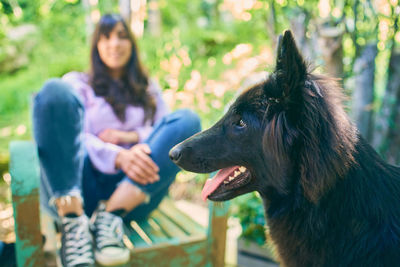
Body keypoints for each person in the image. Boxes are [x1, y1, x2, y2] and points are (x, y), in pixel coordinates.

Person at [33, 14, 200, 267]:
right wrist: (118, 156)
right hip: (83, 187)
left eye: (122, 36)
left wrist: (131, 138)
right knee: (53, 92)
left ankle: (109, 217)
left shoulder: (148, 88)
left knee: (188, 120)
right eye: (106, 37)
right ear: (96, 45)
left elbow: (164, 132)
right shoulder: (78, 84)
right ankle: (73, 224)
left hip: (136, 192)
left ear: (132, 44)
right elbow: (71, 138)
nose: (114, 44)